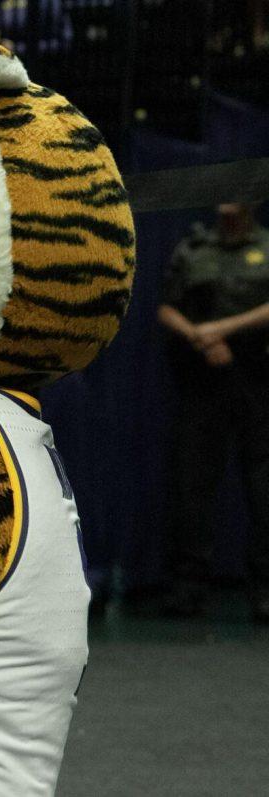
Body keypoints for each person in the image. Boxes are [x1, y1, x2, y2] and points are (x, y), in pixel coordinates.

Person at [157, 203, 269, 620]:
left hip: (257, 375)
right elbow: (167, 305)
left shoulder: (267, 247)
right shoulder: (192, 248)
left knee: (263, 487)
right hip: (201, 376)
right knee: (192, 484)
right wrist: (200, 336)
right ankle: (188, 588)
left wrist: (223, 330)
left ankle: (263, 591)